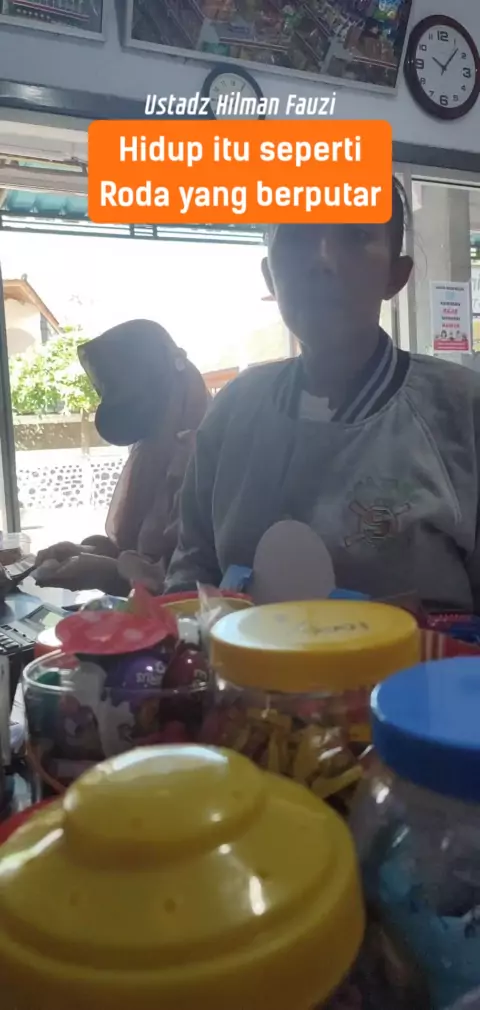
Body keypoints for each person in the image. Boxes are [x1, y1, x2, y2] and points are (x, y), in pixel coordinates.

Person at [165, 179, 480, 613]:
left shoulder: (460, 410)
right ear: (269, 275)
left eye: (355, 235)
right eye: (296, 235)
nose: (322, 260)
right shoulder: (233, 414)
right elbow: (189, 586)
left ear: (396, 275)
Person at [35, 319, 209, 595]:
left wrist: (106, 573)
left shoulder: (202, 459)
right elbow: (137, 553)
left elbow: (187, 581)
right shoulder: (153, 451)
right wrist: (84, 551)